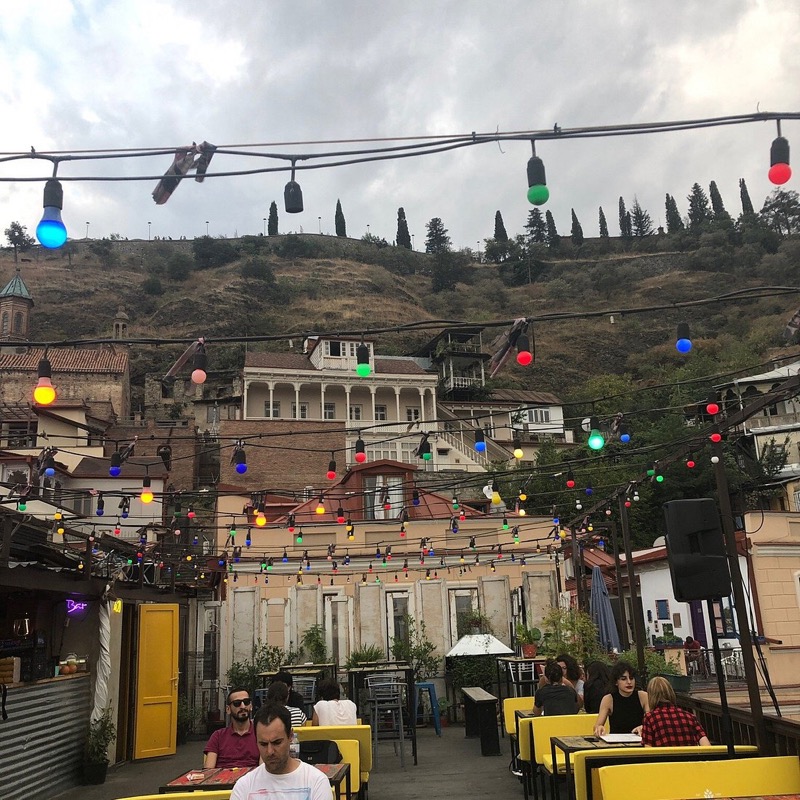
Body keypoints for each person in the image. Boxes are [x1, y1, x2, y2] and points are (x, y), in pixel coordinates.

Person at [230, 701, 331, 800]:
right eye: (263, 744)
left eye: (277, 742)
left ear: (290, 736)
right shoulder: (244, 786)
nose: (270, 751)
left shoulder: (316, 781)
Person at [641, 676, 710, 746]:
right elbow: (706, 745)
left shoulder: (650, 718)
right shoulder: (689, 716)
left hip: (665, 756)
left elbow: (648, 749)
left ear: (650, 696)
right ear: (671, 693)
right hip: (689, 756)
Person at [204, 687, 260, 768]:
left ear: (251, 706)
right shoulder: (218, 736)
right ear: (228, 709)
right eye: (237, 703)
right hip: (222, 779)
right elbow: (208, 770)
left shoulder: (261, 734)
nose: (243, 706)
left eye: (246, 702)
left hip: (253, 779)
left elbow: (264, 769)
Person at [593, 660, 649, 737]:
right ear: (616, 682)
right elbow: (598, 725)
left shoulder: (643, 696)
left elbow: (651, 721)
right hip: (616, 743)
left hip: (639, 740)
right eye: (623, 679)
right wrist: (599, 728)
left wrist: (644, 727)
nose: (629, 682)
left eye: (631, 678)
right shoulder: (608, 699)